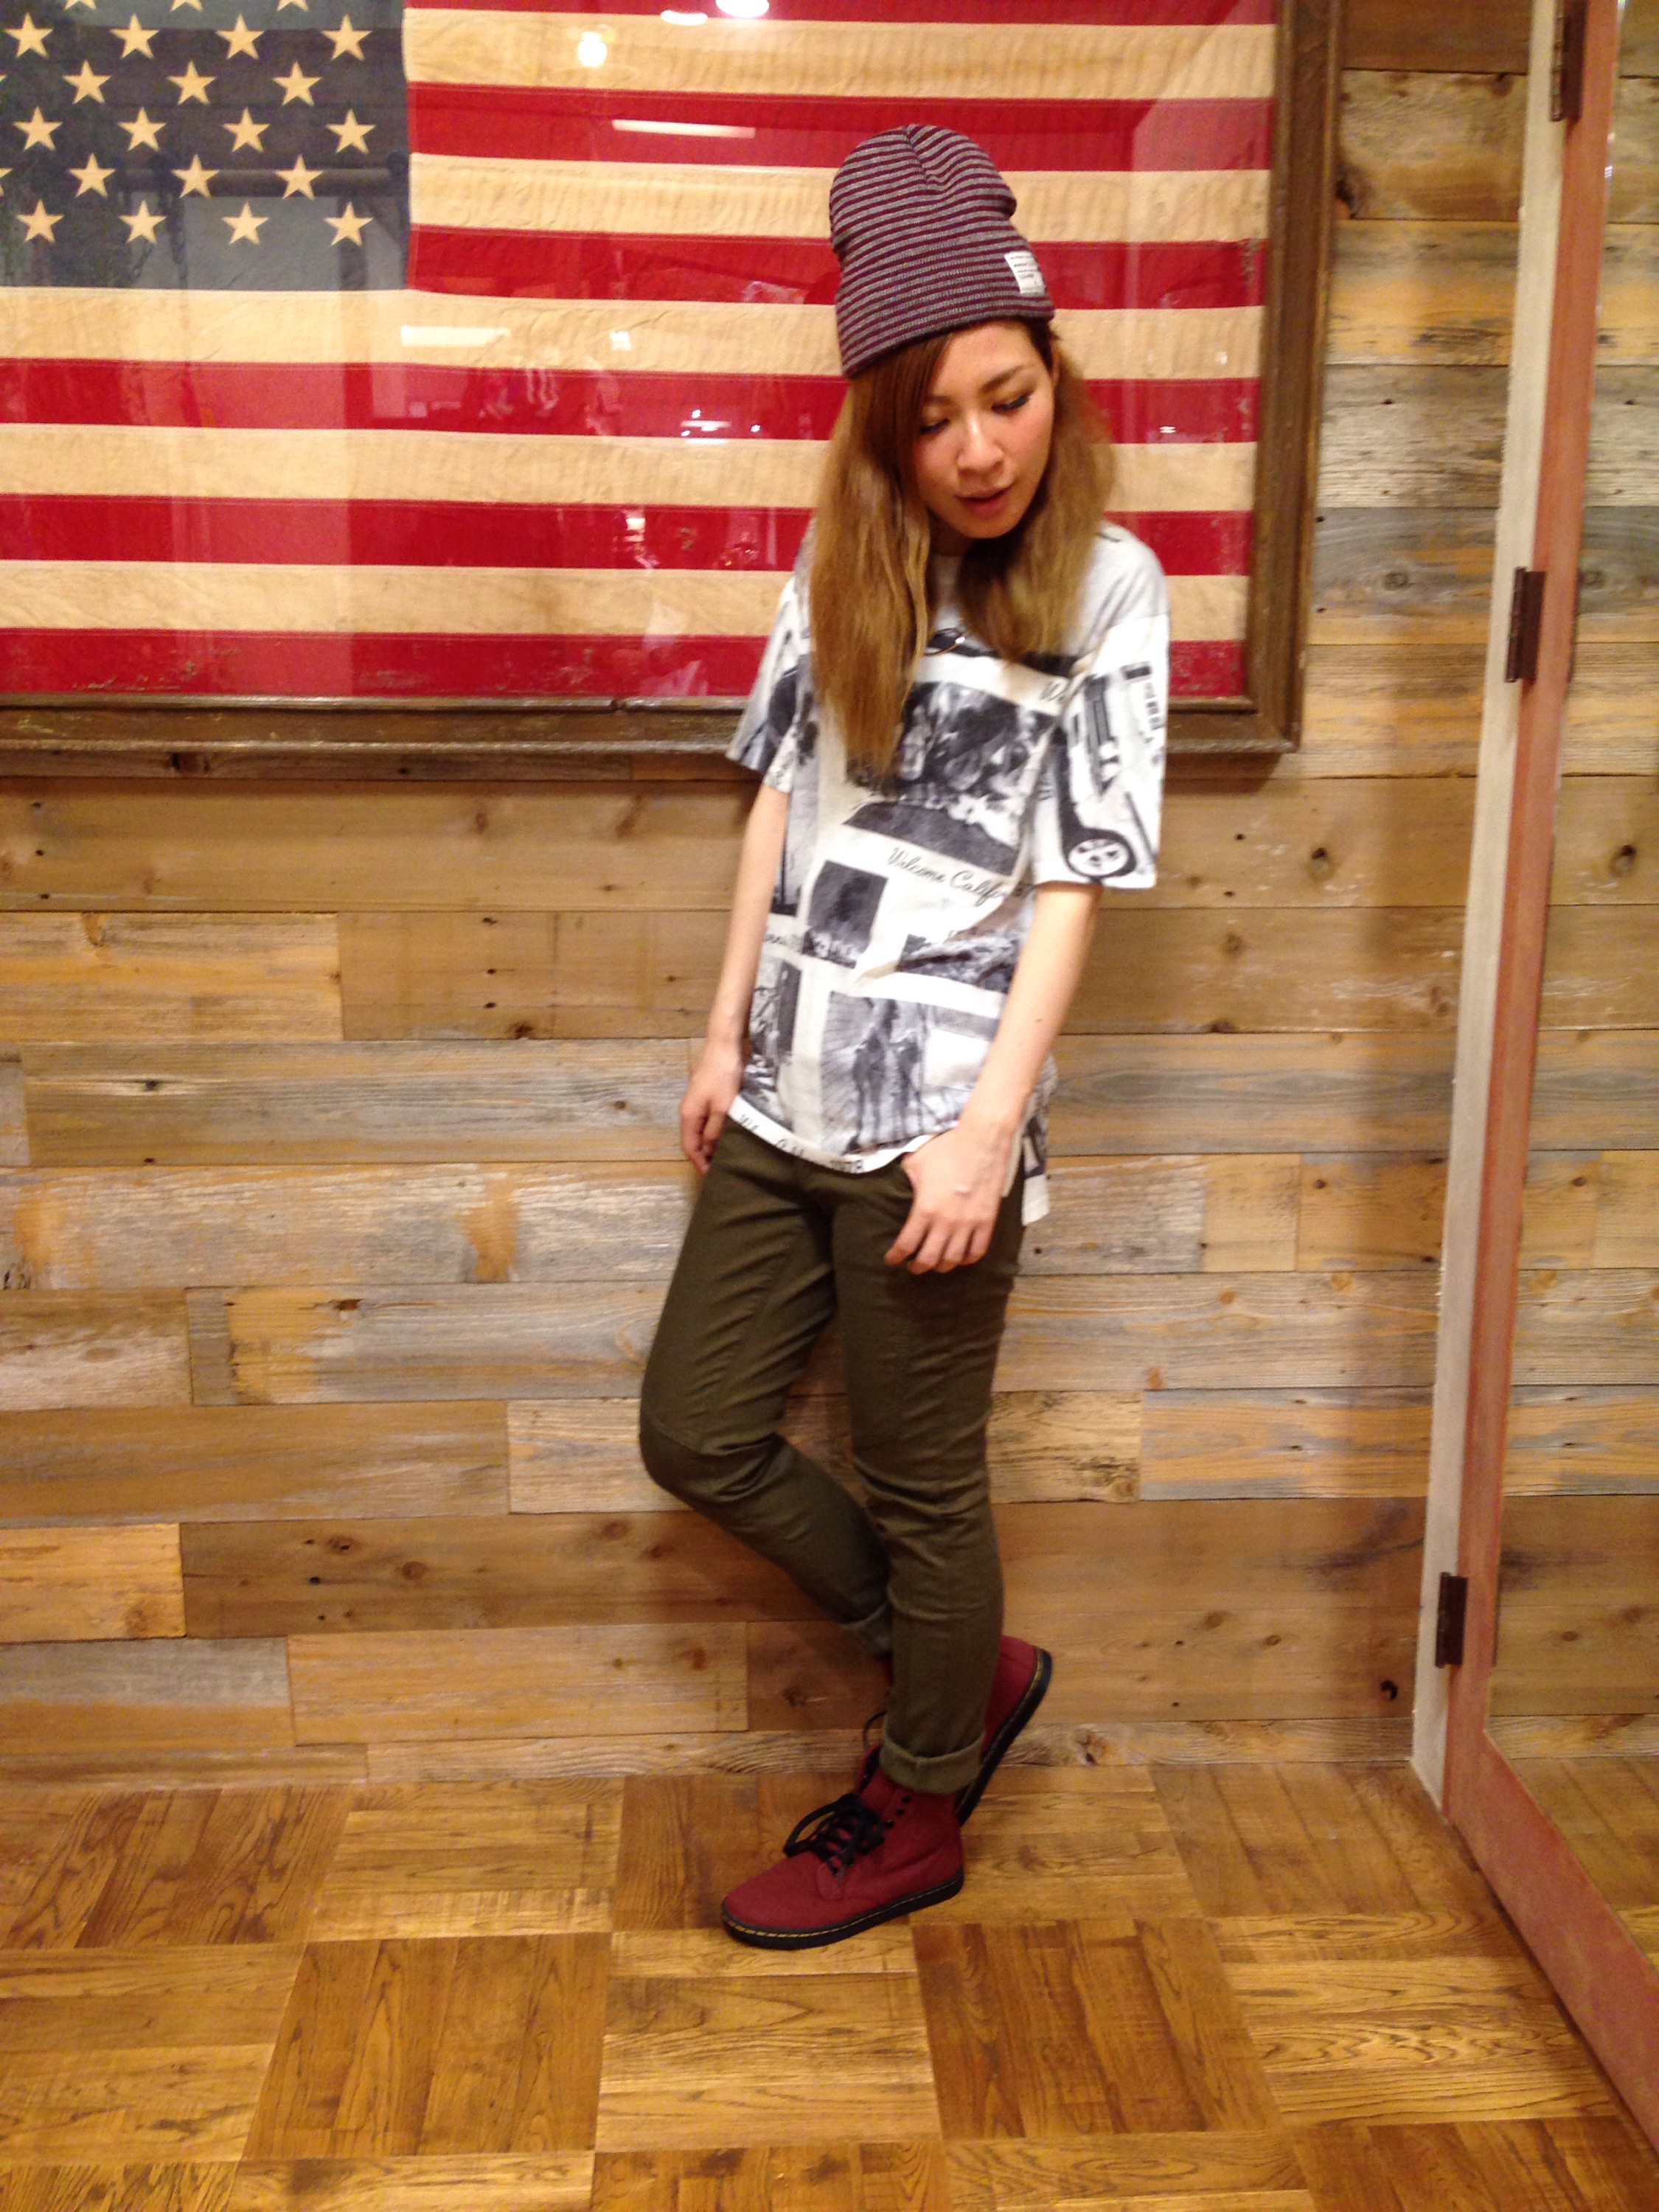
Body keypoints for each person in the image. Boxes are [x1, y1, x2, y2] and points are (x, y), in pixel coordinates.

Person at [639, 125, 1168, 1949]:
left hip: (938, 1123)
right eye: (933, 420)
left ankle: (923, 1795)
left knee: (926, 1483)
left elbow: (1079, 880)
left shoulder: (1112, 589)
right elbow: (782, 801)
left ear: (1053, 377)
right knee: (696, 1427)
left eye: (1006, 399)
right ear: (882, 430)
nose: (980, 450)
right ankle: (960, 1663)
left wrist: (986, 1134)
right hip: (783, 1094)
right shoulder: (839, 570)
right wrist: (722, 1034)